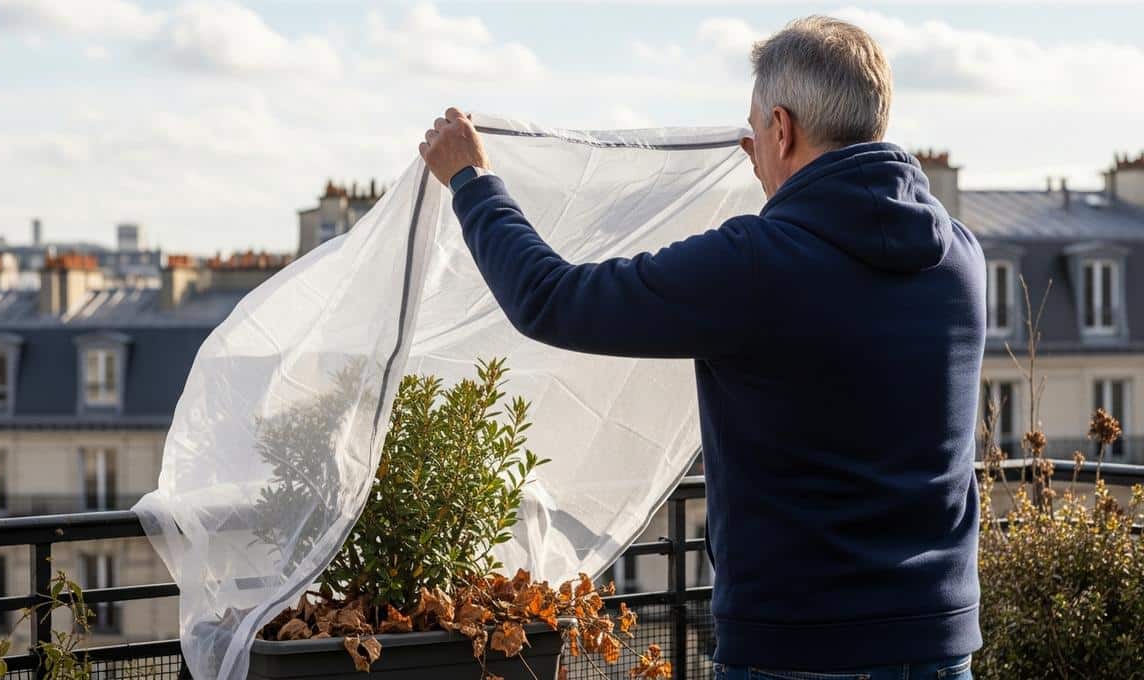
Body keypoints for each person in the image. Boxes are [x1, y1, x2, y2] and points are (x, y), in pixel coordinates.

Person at [418, 15, 983, 680]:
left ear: (782, 127)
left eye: (754, 132)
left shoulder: (757, 263)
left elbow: (551, 300)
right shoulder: (959, 256)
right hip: (937, 648)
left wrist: (473, 182)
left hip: (794, 652)